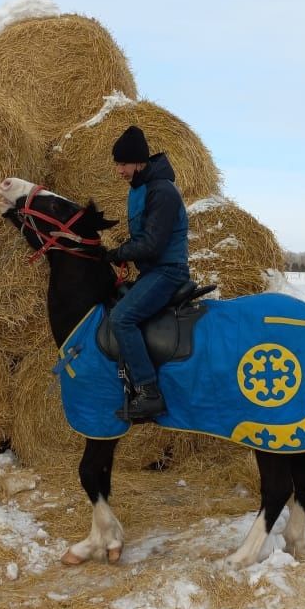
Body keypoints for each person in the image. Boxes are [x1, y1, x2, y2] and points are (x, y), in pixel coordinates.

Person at [104, 125, 190, 421]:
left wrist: (118, 253)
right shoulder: (143, 189)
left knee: (122, 318)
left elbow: (152, 244)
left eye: (123, 164)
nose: (119, 170)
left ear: (139, 162)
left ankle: (149, 392)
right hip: (153, 271)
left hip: (168, 271)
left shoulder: (162, 191)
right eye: (117, 164)